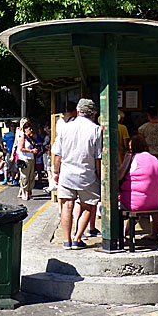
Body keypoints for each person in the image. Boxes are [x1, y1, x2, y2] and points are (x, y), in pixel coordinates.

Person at [52, 98, 102, 250]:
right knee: (88, 206)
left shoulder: (65, 128)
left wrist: (56, 172)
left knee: (67, 206)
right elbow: (98, 157)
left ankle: (66, 241)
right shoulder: (96, 130)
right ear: (93, 113)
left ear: (78, 111)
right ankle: (77, 238)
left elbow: (58, 155)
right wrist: (100, 176)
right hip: (87, 174)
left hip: (67, 173)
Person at [117, 136, 158, 236]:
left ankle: (120, 236)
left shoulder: (131, 157)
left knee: (110, 207)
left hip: (135, 203)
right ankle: (154, 234)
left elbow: (119, 176)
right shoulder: (154, 158)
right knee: (139, 202)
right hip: (154, 203)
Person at [17, 123, 39, 200]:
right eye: (29, 129)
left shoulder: (31, 138)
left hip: (32, 158)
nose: (31, 130)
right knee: (24, 176)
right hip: (25, 158)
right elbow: (21, 148)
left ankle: (29, 192)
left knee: (31, 176)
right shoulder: (23, 137)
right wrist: (31, 151)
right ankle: (24, 192)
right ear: (25, 129)